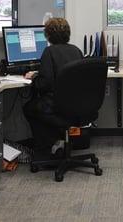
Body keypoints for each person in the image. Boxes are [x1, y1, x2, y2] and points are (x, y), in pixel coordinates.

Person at [22, 17, 83, 151]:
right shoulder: (76, 50)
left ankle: (48, 146)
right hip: (78, 107)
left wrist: (34, 78)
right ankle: (57, 143)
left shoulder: (49, 52)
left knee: (29, 108)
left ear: (48, 35)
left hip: (57, 106)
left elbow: (44, 84)